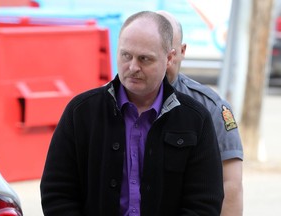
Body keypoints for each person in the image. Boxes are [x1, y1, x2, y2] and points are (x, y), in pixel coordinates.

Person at [40, 11, 224, 216]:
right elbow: (57, 193)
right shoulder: (81, 112)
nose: (133, 67)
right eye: (126, 55)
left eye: (144, 59)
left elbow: (204, 203)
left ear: (170, 58)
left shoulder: (196, 119)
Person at [157, 11, 244, 216]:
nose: (163, 63)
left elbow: (230, 185)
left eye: (168, 54)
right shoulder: (106, 101)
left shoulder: (211, 107)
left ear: (182, 51)